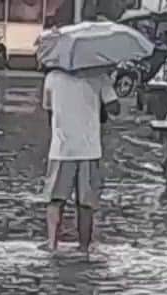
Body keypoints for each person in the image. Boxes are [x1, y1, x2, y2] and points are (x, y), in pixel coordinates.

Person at [42, 68, 120, 251]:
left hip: (61, 149)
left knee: (55, 200)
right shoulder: (99, 76)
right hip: (89, 150)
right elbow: (115, 109)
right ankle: (84, 248)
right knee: (86, 203)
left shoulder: (52, 77)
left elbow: (49, 111)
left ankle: (52, 244)